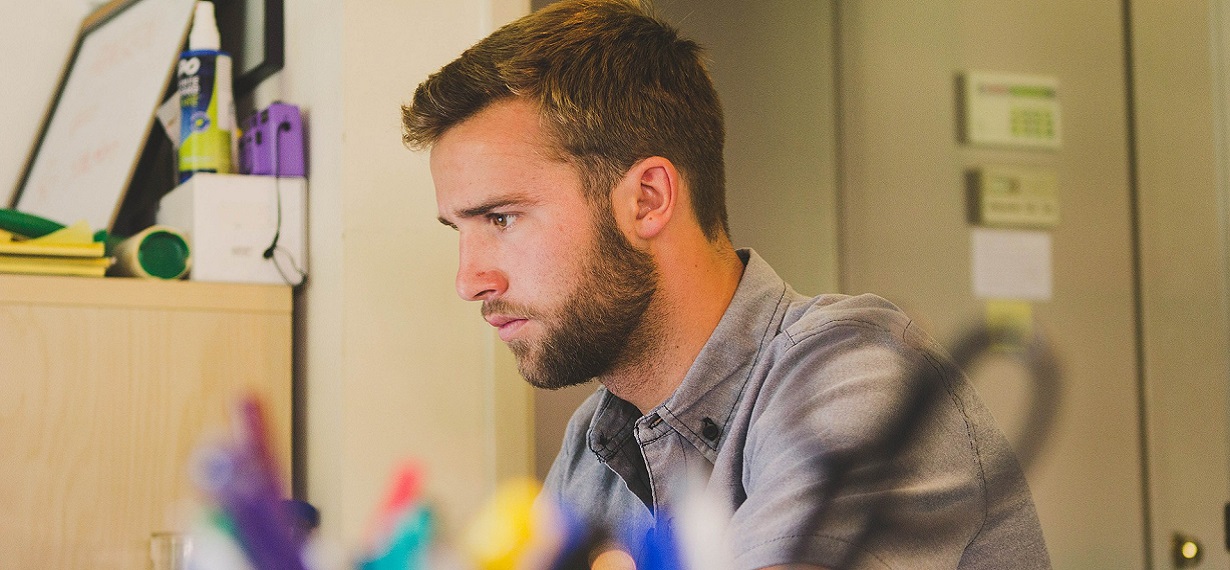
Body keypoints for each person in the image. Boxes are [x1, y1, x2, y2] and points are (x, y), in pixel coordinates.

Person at [402, 1, 1051, 568]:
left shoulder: (860, 371)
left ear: (648, 199)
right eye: (458, 229)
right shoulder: (593, 446)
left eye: (501, 218)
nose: (470, 279)